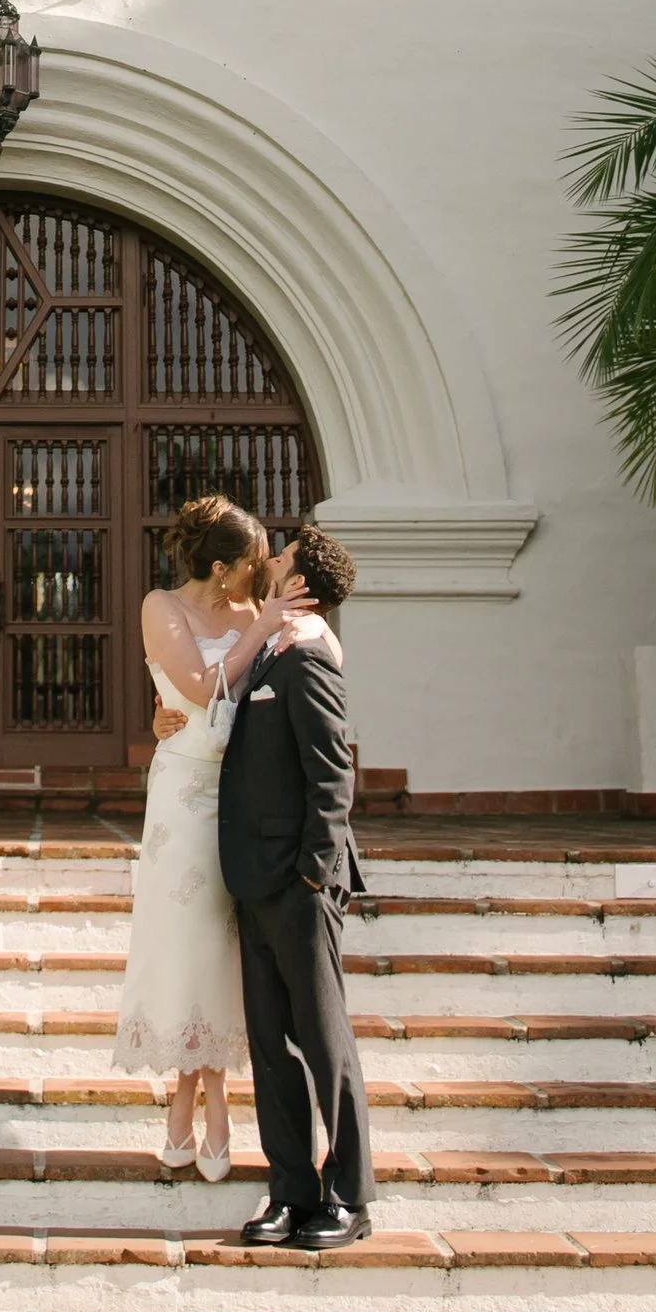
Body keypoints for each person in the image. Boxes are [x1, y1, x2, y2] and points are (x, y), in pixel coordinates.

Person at [110, 497, 311, 1175]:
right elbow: (198, 689)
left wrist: (270, 619)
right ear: (221, 567)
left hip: (242, 791)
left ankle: (204, 1095)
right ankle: (200, 1097)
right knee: (186, 938)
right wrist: (260, 631)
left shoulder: (256, 611)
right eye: (252, 561)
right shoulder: (161, 606)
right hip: (183, 795)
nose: (260, 571)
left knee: (228, 944)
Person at [214, 521, 373, 1250]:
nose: (269, 560)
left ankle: (349, 1198)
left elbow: (333, 774)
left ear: (300, 581)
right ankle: (289, 1191)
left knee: (322, 1039)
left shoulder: (309, 658)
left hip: (299, 882)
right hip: (255, 876)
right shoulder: (274, 648)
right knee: (271, 1047)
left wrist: (314, 870)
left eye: (281, 556)